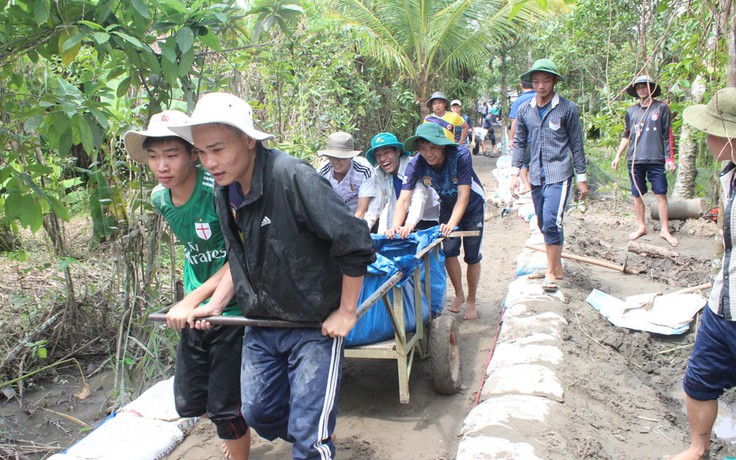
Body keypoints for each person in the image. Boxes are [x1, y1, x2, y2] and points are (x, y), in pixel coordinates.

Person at [170, 92, 375, 460]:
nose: (210, 162)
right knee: (259, 413)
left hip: (313, 326)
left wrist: (346, 310)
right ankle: (303, 431)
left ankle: (311, 442)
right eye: (201, 153)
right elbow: (239, 254)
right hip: (262, 324)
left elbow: (353, 239)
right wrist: (213, 305)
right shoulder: (224, 187)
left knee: (309, 438)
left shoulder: (291, 176)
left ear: (249, 140)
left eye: (218, 149)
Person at [123, 110, 251, 460]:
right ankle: (233, 423)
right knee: (188, 401)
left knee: (225, 406)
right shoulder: (160, 199)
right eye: (153, 156)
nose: (161, 166)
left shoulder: (220, 192)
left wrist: (193, 299)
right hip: (194, 307)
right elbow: (195, 247)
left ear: (194, 154)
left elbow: (240, 257)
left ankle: (236, 439)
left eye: (171, 154)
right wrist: (191, 300)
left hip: (231, 307)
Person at [664, 87, 736, 460]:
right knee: (699, 381)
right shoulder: (729, 174)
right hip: (722, 303)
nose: (707, 140)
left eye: (711, 132)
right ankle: (698, 448)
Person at [388, 123, 485, 320]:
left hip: (472, 205)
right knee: (449, 251)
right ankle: (458, 294)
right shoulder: (416, 164)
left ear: (442, 146)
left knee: (472, 255)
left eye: (432, 148)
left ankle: (472, 300)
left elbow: (464, 195)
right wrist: (396, 227)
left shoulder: (460, 155)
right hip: (447, 206)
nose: (428, 153)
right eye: (423, 148)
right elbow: (404, 200)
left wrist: (452, 224)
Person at [509, 59, 588, 291]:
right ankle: (557, 266)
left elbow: (577, 144)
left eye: (545, 81)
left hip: (559, 173)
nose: (541, 86)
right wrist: (515, 174)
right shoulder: (525, 110)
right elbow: (520, 142)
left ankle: (551, 272)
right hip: (536, 174)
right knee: (543, 221)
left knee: (553, 220)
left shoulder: (567, 109)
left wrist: (581, 178)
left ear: (554, 82)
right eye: (536, 81)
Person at [611, 75, 678, 247]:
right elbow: (627, 135)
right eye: (639, 87)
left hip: (655, 158)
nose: (642, 89)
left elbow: (667, 135)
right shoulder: (631, 112)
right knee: (637, 193)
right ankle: (641, 226)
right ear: (636, 91)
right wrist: (618, 155)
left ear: (652, 88)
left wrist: (669, 158)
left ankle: (665, 229)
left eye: (645, 86)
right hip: (635, 159)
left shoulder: (661, 108)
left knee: (660, 193)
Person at [363, 132, 440, 233]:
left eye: (386, 152)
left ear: (398, 152)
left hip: (426, 217)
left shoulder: (413, 165)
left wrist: (409, 224)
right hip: (400, 218)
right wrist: (364, 228)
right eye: (378, 155)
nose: (382, 159)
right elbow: (375, 204)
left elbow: (419, 196)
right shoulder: (379, 173)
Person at [317, 131, 376, 219]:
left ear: (351, 157)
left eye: (340, 157)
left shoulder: (364, 170)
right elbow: (319, 204)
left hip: (358, 217)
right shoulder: (322, 172)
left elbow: (362, 210)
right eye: (332, 157)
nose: (336, 161)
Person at [508, 78, 536, 194]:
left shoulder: (519, 101)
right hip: (541, 139)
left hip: (526, 139)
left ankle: (526, 185)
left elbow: (515, 122)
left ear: (521, 85)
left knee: (524, 163)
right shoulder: (541, 98)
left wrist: (512, 138)